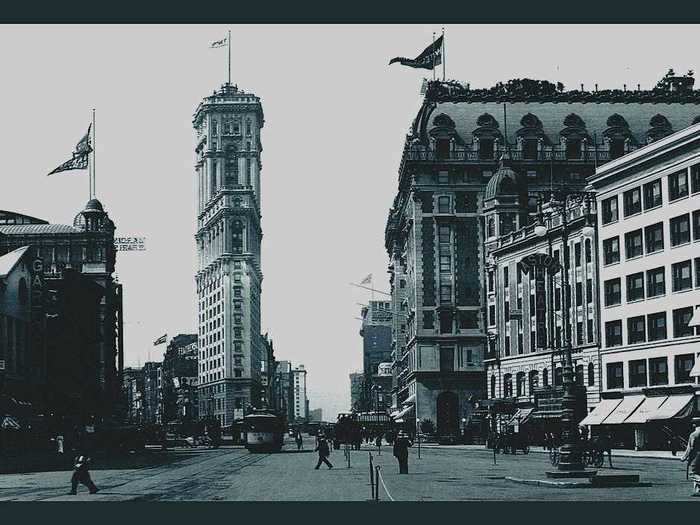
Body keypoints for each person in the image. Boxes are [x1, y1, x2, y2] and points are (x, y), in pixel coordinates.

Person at [681, 418, 700, 497]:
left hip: (696, 455)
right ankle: (697, 491)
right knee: (699, 472)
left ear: (694, 424)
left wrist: (684, 457)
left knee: (693, 473)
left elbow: (690, 448)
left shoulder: (694, 434)